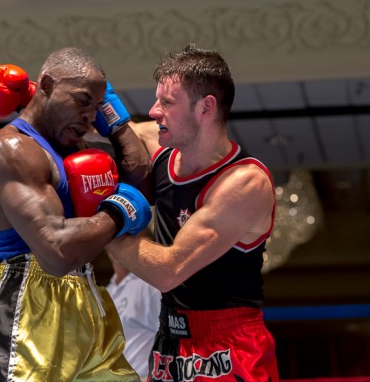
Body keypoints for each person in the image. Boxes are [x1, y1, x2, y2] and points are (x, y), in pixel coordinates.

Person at [0, 47, 153, 382]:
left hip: (86, 296)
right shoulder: (12, 150)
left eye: (97, 107)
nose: (89, 116)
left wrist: (116, 122)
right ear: (47, 85)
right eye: (83, 101)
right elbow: (57, 252)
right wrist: (120, 210)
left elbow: (141, 181)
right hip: (26, 299)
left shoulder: (75, 149)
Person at [107, 44, 280, 381]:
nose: (154, 111)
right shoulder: (159, 147)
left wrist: (101, 222)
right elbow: (113, 129)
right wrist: (45, 102)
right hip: (169, 340)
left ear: (206, 107)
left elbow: (169, 271)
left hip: (228, 346)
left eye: (167, 103)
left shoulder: (244, 183)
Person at [106, 250, 161, 381]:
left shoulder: (149, 285)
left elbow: (168, 338)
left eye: (124, 239)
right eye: (113, 240)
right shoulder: (107, 291)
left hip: (144, 377)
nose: (119, 244)